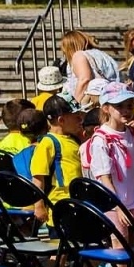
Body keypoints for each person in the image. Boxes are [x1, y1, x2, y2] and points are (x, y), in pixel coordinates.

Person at [83, 82, 134, 233]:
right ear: (106, 108)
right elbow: (105, 178)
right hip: (112, 201)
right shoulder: (101, 140)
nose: (125, 111)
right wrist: (118, 207)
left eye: (129, 106)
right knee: (120, 243)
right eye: (119, 106)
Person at [30, 95, 83, 227]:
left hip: (77, 204)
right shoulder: (48, 143)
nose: (80, 119)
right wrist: (39, 206)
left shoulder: (73, 139)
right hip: (59, 207)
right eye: (76, 116)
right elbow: (38, 178)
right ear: (61, 120)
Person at [61, 30, 121, 105]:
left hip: (94, 101)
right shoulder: (102, 54)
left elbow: (85, 79)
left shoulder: (79, 55)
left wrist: (75, 104)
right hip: (112, 97)